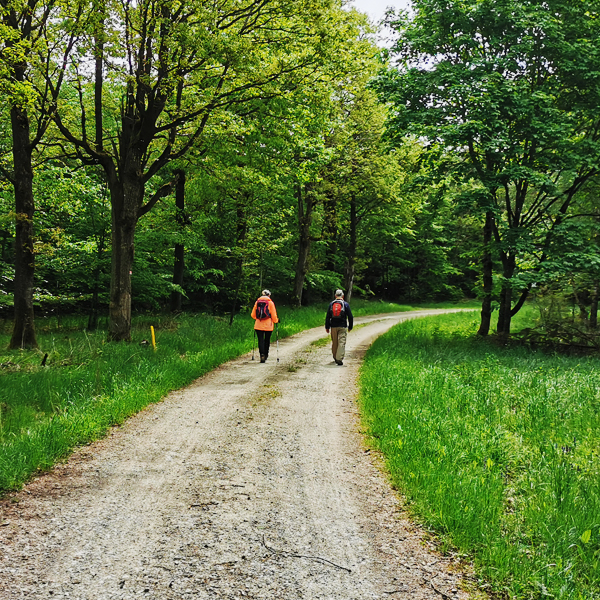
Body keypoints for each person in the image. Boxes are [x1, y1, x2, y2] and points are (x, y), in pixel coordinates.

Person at [325, 289, 353, 365]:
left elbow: (328, 317)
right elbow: (350, 316)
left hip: (333, 326)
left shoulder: (331, 304)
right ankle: (339, 358)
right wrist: (350, 326)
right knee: (341, 342)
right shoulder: (345, 304)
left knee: (335, 342)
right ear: (343, 296)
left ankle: (335, 357)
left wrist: (327, 327)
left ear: (335, 296)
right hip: (342, 326)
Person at [251, 289, 279, 363]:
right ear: (269, 295)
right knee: (267, 340)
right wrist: (276, 321)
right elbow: (273, 315)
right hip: (268, 326)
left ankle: (262, 355)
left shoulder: (257, 302)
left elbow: (253, 315)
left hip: (258, 325)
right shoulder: (270, 303)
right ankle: (266, 355)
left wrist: (258, 318)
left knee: (260, 340)